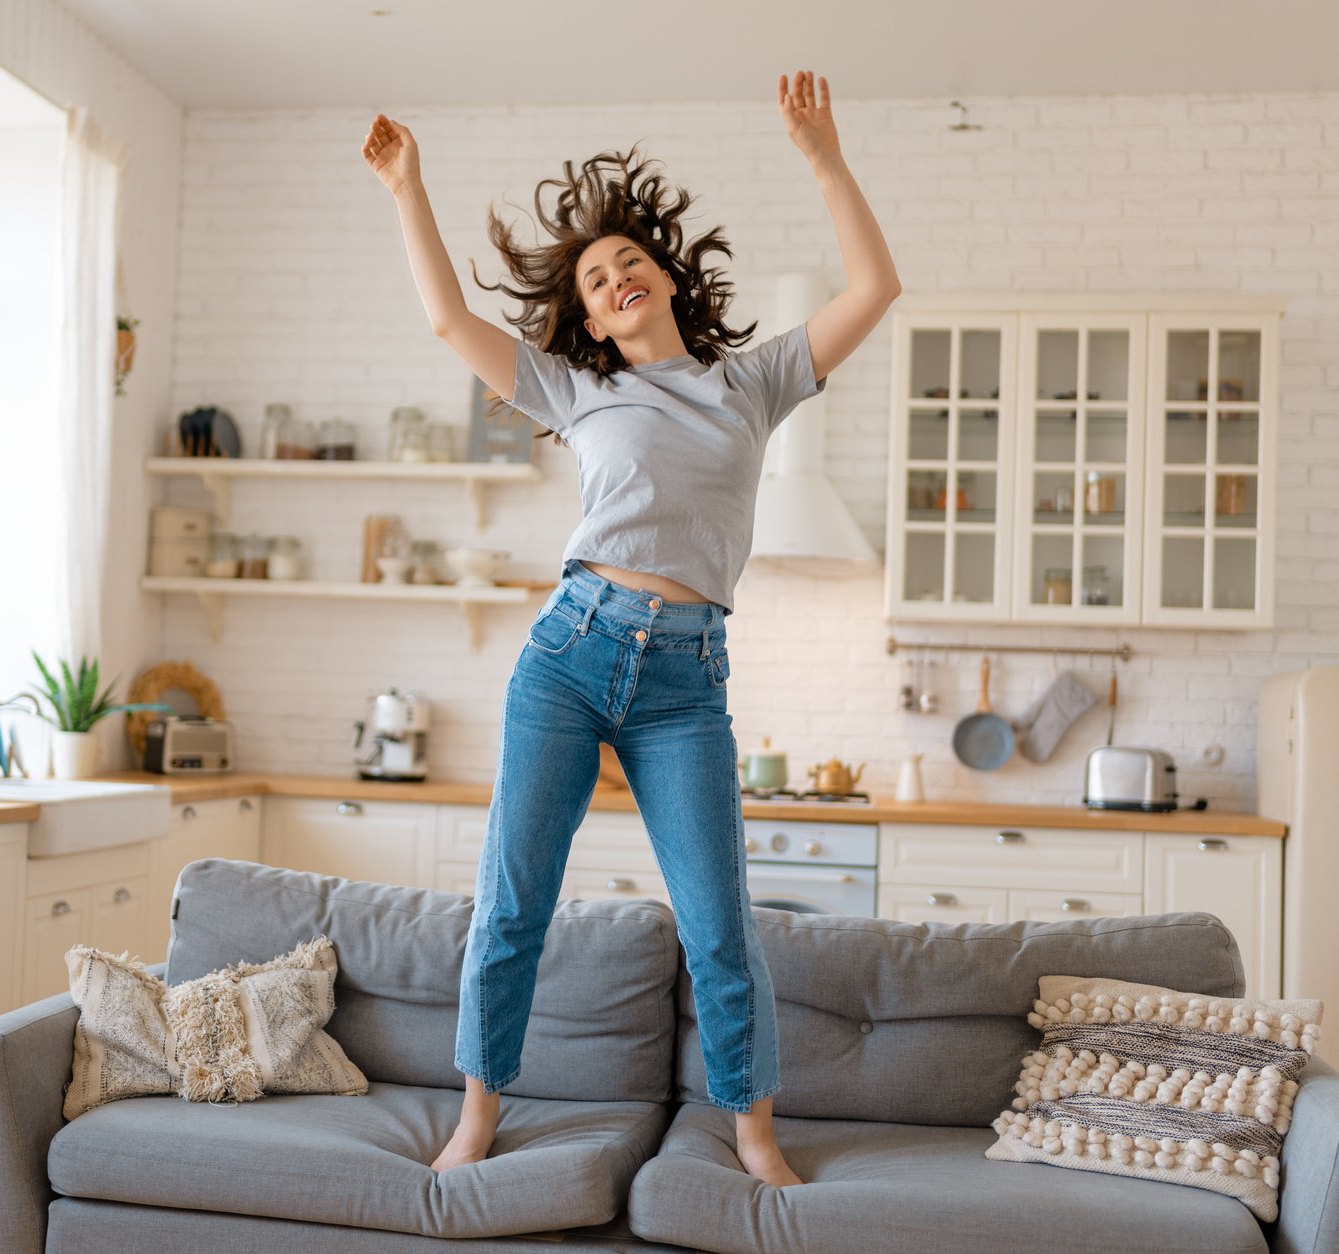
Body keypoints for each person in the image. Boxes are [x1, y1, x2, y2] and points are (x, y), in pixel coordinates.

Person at [363, 70, 899, 1189]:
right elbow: (446, 319)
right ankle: (476, 1117)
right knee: (516, 904)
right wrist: (412, 189)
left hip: (685, 684)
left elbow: (877, 285)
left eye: (628, 264)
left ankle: (754, 1132)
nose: (614, 281)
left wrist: (824, 160)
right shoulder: (573, 392)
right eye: (596, 282)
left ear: (664, 276)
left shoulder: (751, 384)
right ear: (591, 316)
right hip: (569, 655)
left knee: (719, 927)